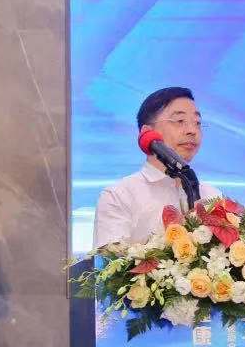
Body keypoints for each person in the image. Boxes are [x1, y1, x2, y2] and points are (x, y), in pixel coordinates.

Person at [92, 86, 221, 248]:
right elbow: (111, 261)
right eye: (179, 121)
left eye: (197, 123)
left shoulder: (213, 196)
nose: (192, 131)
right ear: (147, 132)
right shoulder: (119, 196)